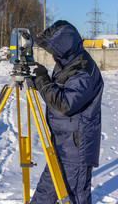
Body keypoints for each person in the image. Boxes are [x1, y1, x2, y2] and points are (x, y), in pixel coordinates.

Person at [31, 20, 104, 204]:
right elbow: (58, 90)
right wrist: (40, 82)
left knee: (75, 197)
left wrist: (43, 81)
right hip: (61, 145)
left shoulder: (83, 71)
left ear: (65, 47)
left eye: (54, 50)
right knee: (44, 193)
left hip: (76, 150)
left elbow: (64, 104)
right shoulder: (68, 63)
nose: (52, 54)